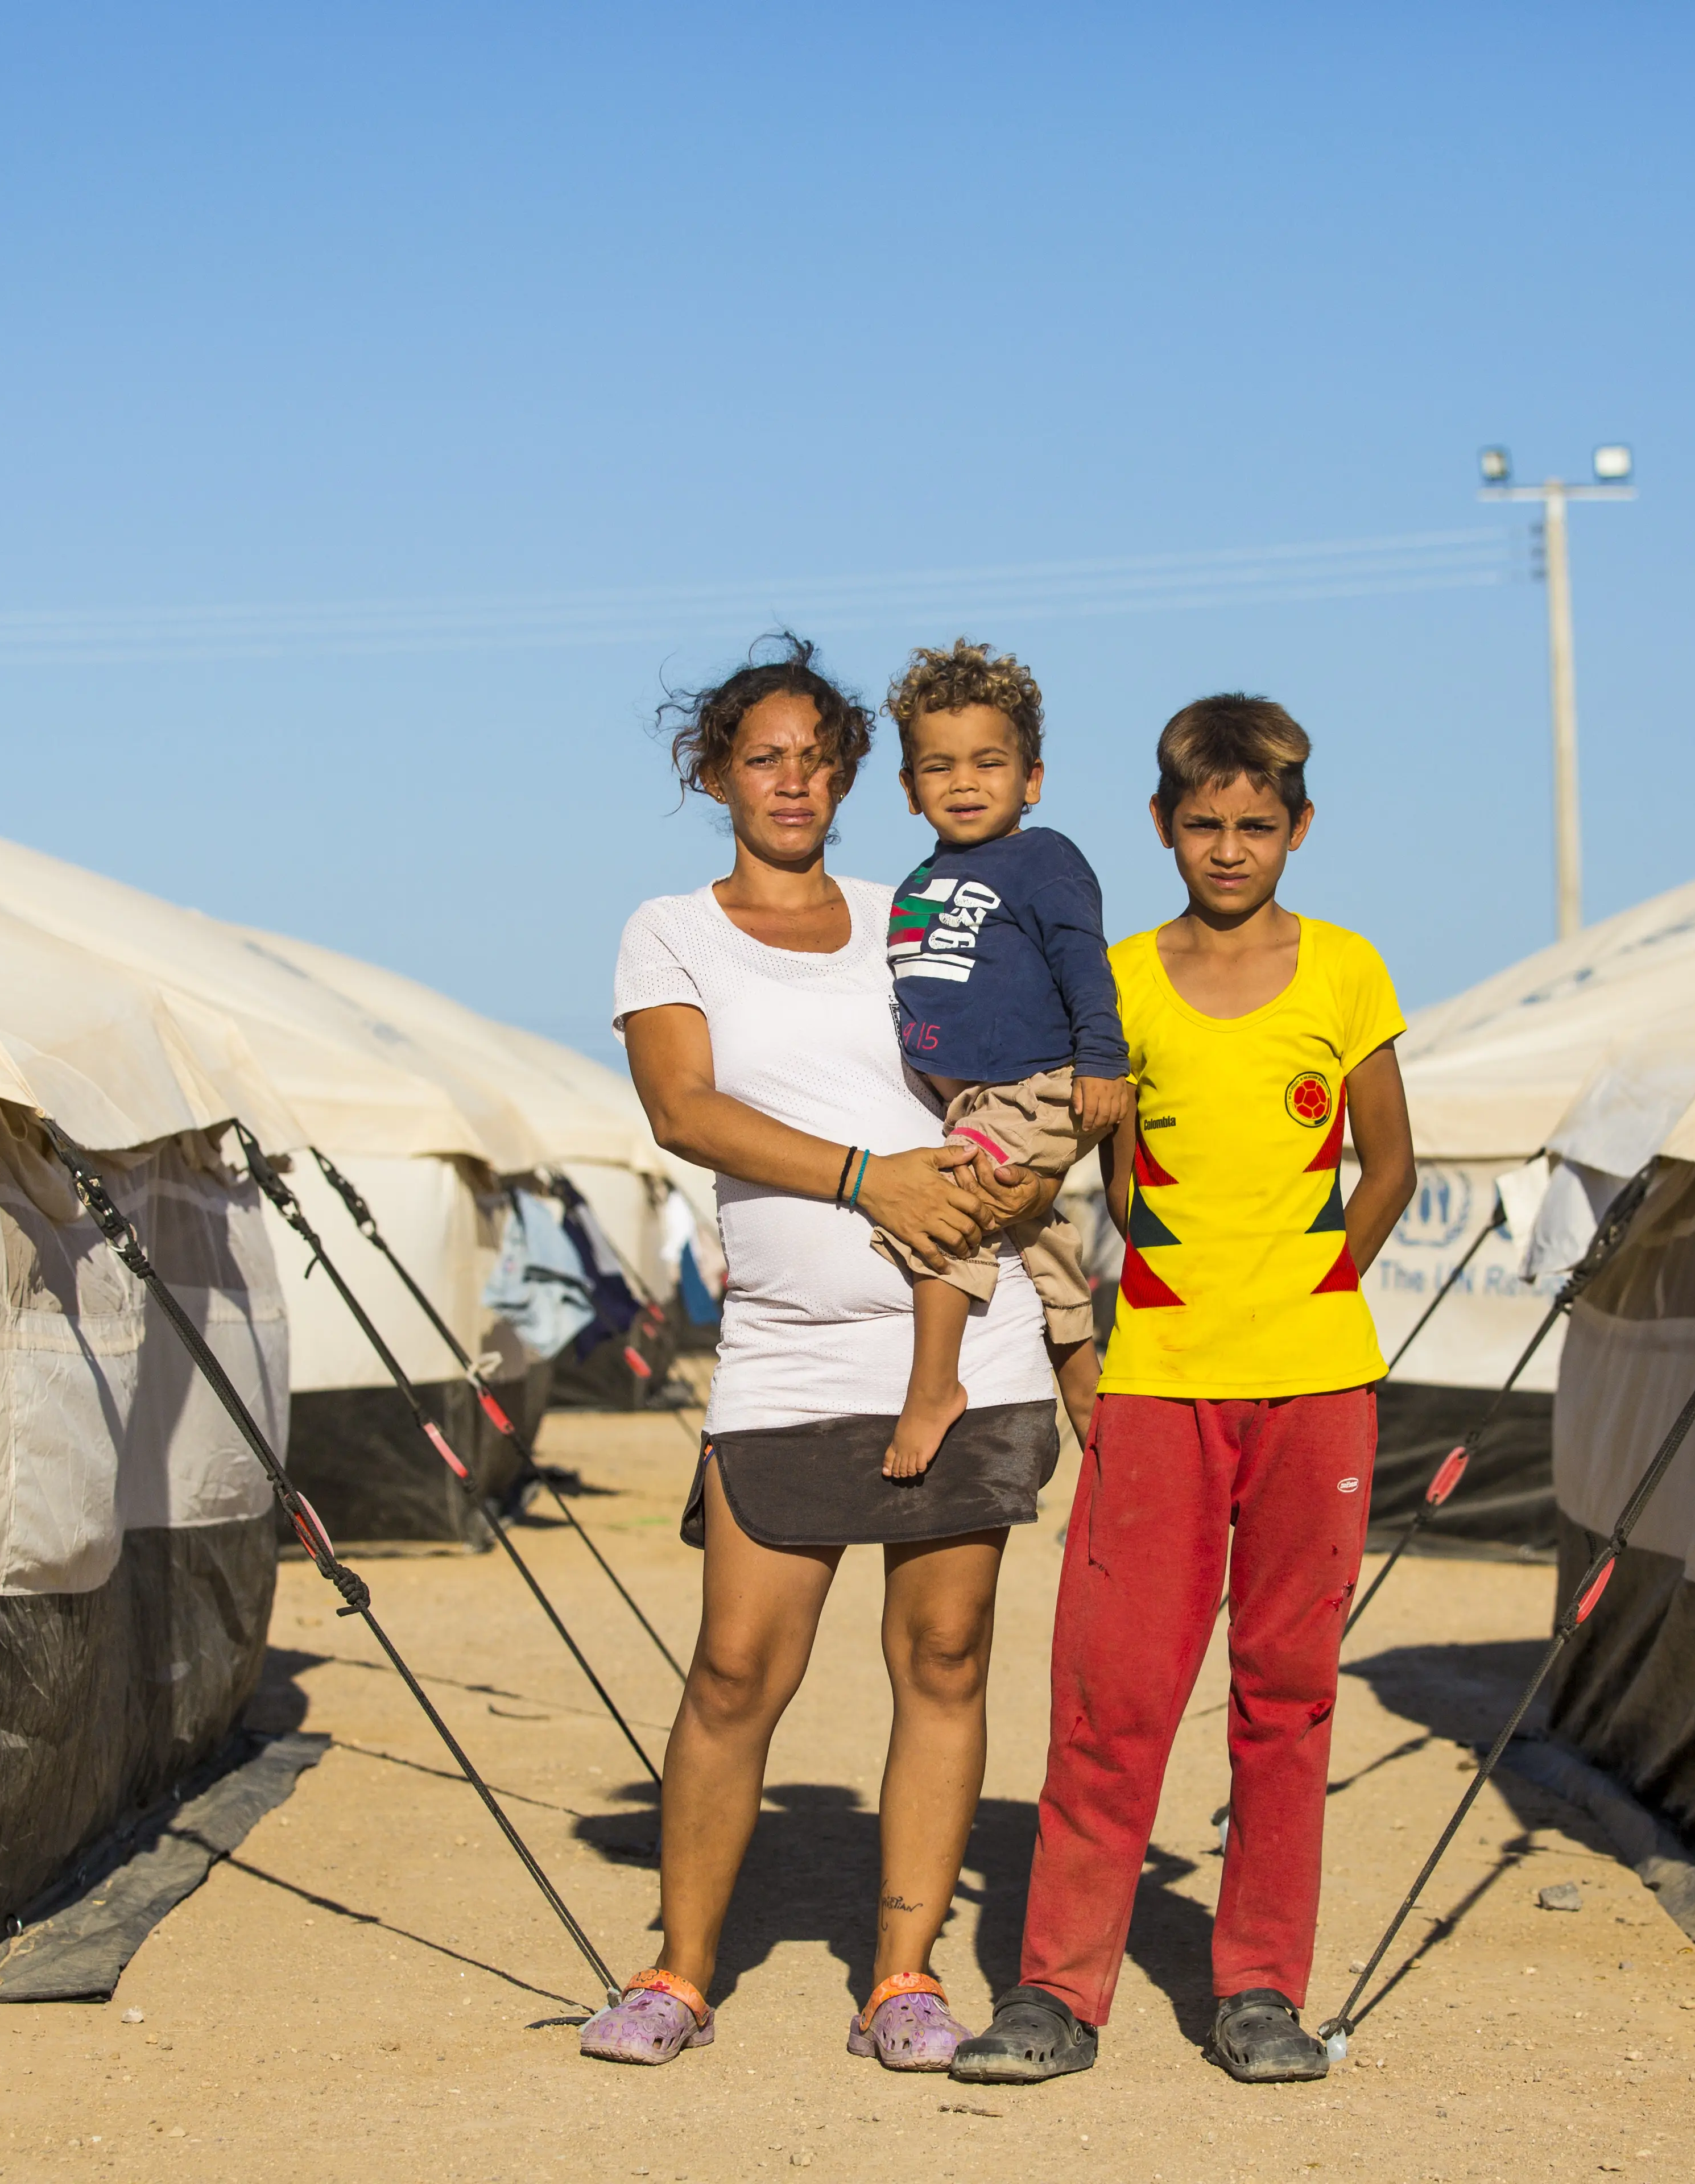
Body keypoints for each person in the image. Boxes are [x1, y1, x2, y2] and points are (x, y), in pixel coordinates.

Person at [582, 635, 1065, 2074]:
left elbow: (1009, 1073)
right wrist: (872, 1180)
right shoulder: (672, 928)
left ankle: (902, 1980)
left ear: (851, 774)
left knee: (946, 1653)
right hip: (787, 1353)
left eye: (815, 756)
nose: (790, 779)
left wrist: (990, 1180)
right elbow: (685, 1111)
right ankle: (678, 1971)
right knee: (737, 1667)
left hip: (965, 1335)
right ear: (716, 772)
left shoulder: (918, 910)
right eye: (761, 756)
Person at [954, 694, 1415, 2088]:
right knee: (1115, 1690)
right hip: (1160, 1383)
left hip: (1318, 1385)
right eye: (1203, 825)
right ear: (1162, 825)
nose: (1229, 848)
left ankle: (1262, 1986)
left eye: (1256, 826)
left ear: (1300, 828)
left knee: (1288, 1693)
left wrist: (1317, 1282)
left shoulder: (1345, 971)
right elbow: (1094, 1162)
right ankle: (1055, 1991)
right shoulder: (1126, 981)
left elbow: (1387, 1162)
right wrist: (1107, 1319)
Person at [870, 639, 1129, 1471]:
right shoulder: (917, 881)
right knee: (1037, 1245)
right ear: (910, 789)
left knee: (946, 1208)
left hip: (1040, 1083)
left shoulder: (1043, 859)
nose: (965, 782)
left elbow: (1087, 964)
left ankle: (932, 1388)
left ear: (1033, 779)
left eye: (989, 762)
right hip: (976, 1099)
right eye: (939, 768)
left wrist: (1102, 1063)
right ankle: (1089, 1404)